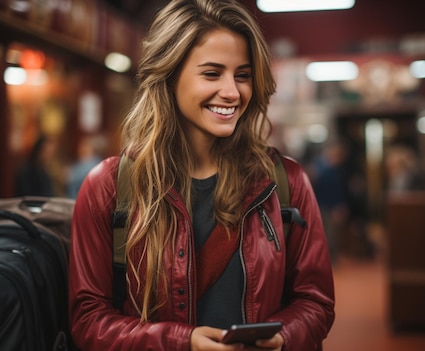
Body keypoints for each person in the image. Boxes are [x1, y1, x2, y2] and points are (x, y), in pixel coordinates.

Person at [69, 1, 335, 350]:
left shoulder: (284, 183)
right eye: (212, 73)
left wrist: (284, 334)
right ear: (170, 75)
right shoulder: (110, 187)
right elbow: (89, 320)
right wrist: (181, 342)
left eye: (242, 75)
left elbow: (316, 302)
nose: (232, 92)